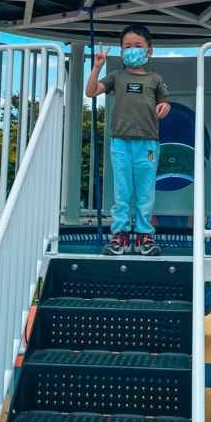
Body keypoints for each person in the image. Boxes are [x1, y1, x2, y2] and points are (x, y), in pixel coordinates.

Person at [86, 24, 170, 256]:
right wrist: (97, 66)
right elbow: (91, 92)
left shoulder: (155, 78)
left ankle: (144, 235)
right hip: (120, 142)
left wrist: (164, 106)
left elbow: (164, 102)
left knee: (145, 191)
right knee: (122, 191)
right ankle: (120, 235)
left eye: (138, 46)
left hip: (148, 143)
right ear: (122, 53)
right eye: (128, 47)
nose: (133, 50)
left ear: (149, 52)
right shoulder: (116, 76)